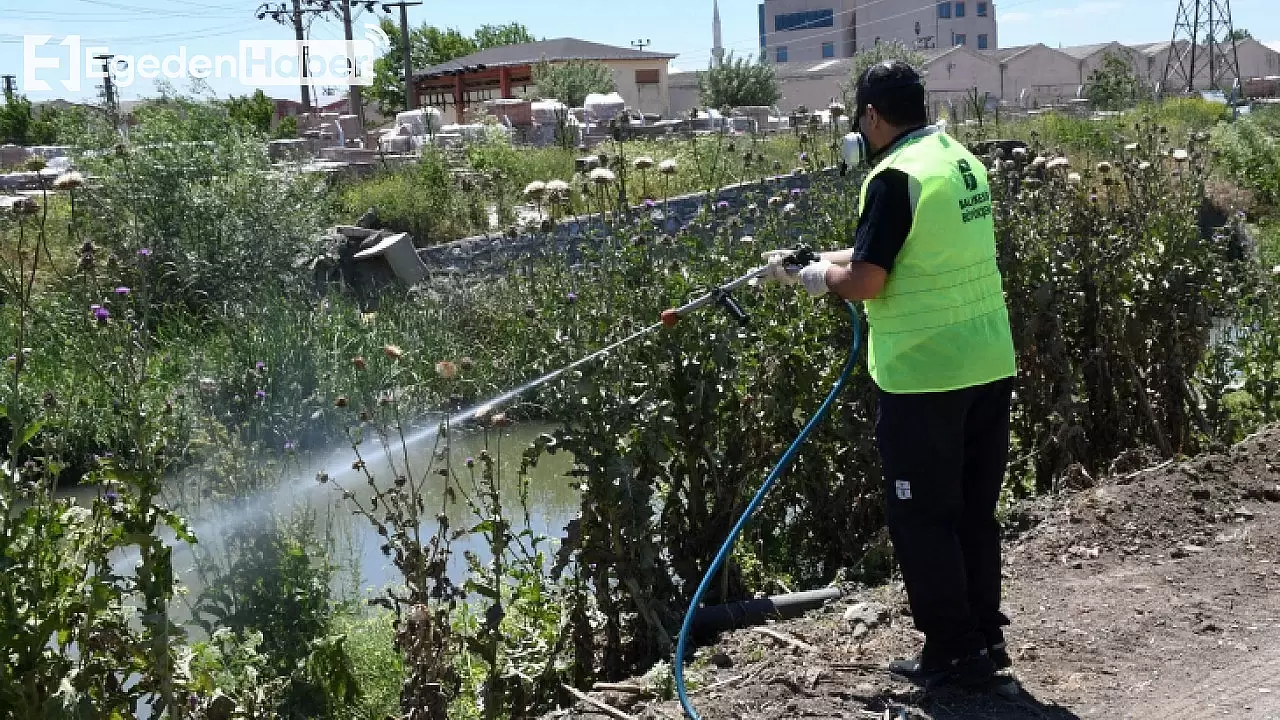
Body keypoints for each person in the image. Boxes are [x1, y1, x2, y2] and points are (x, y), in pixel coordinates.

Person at [761, 59, 1018, 689]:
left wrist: (811, 279)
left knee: (922, 516)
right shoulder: (957, 160)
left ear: (872, 117)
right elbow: (902, 251)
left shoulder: (893, 176)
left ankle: (953, 653)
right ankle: (983, 639)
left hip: (925, 375)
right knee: (973, 513)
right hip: (987, 362)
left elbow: (870, 279)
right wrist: (820, 256)